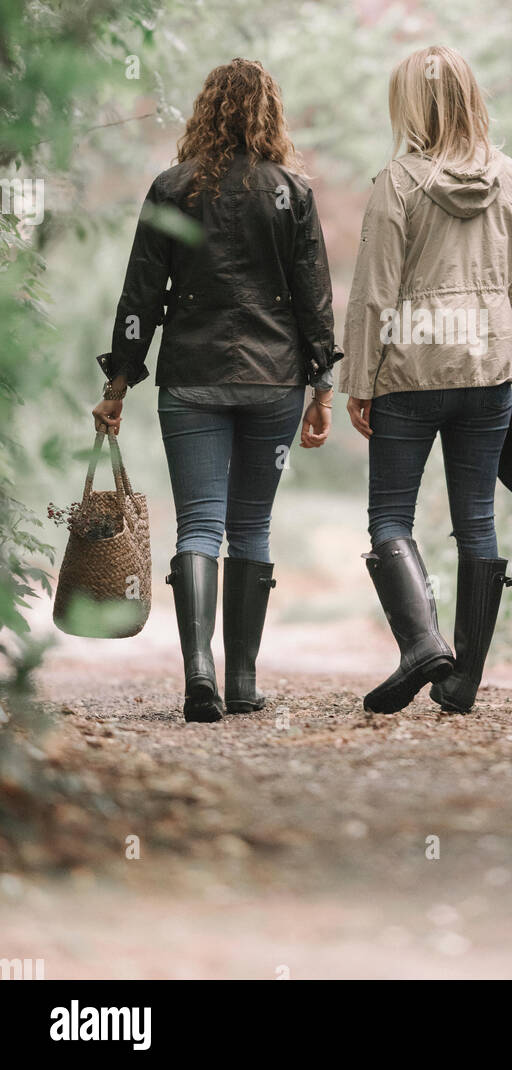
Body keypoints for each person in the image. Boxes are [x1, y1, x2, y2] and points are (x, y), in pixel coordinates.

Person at [92, 58, 341, 723]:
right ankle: (242, 682)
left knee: (199, 522)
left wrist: (118, 380)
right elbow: (314, 298)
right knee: (250, 525)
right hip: (273, 379)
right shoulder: (290, 191)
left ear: (205, 110)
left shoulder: (172, 188)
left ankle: (197, 672)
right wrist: (321, 382)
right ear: (270, 114)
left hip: (192, 377)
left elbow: (140, 295)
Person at [340, 45, 512, 715]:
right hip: (488, 371)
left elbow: (373, 293)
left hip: (410, 371)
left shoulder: (397, 182)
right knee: (476, 522)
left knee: (390, 517)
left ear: (412, 105)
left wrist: (359, 381)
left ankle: (423, 643)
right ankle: (462, 683)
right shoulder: (509, 179)